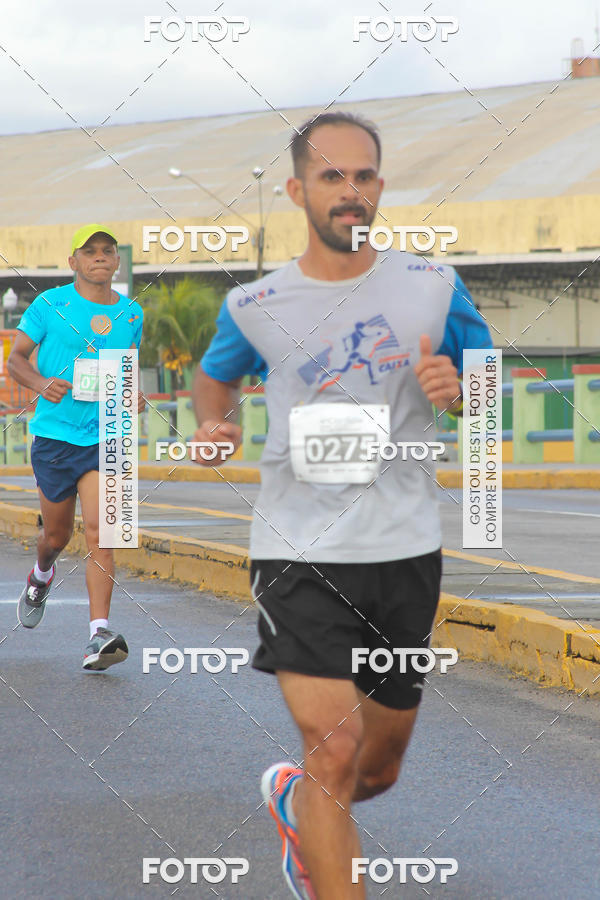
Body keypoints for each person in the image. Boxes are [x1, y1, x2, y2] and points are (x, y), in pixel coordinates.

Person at [191, 112, 493, 899]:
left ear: (380, 187)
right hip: (296, 549)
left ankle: (297, 805)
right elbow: (214, 376)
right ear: (298, 191)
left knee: (376, 769)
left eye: (362, 176)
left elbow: (486, 380)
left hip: (404, 548)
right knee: (333, 750)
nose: (349, 190)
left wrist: (461, 392)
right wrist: (214, 423)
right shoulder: (256, 303)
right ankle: (316, 803)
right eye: (331, 176)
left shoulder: (433, 286)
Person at [8, 224, 145, 671]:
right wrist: (40, 383)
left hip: (110, 433)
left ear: (117, 261)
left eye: (107, 250)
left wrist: (135, 395)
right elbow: (16, 360)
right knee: (56, 536)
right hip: (55, 436)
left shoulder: (131, 313)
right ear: (74, 262)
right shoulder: (50, 304)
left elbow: (127, 368)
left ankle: (98, 634)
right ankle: (41, 574)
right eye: (90, 251)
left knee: (104, 533)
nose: (100, 256)